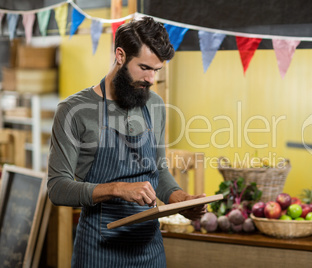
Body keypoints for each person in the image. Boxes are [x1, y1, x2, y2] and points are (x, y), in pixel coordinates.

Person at [47, 16, 206, 267]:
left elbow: (159, 171)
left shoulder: (154, 105)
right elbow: (57, 188)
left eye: (156, 70)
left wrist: (181, 200)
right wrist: (116, 188)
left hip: (150, 251)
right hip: (98, 250)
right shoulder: (74, 110)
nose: (151, 79)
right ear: (120, 55)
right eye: (144, 68)